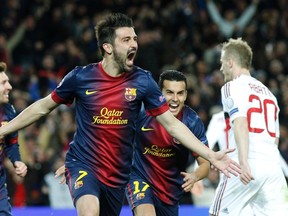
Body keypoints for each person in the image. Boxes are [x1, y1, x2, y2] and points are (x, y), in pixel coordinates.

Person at [0, 13, 240, 216]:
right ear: (108, 47)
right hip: (83, 164)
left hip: (116, 177)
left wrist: (210, 155)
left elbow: (173, 125)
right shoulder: (80, 77)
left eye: (135, 38)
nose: (134, 44)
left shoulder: (143, 81)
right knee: (89, 210)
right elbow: (42, 107)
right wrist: (5, 129)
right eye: (126, 39)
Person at [209, 38, 288, 216]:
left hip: (243, 165)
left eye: (222, 63)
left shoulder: (231, 87)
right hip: (272, 168)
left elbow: (241, 123)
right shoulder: (270, 95)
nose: (221, 68)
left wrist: (244, 162)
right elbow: (274, 138)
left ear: (230, 62)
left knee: (216, 213)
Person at [125, 70, 210, 216]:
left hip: (170, 193)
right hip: (140, 178)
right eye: (169, 92)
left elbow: (205, 164)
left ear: (186, 95)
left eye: (180, 93)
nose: (175, 99)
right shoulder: (142, 112)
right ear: (160, 93)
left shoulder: (192, 122)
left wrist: (195, 176)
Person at [0, 62, 27, 215]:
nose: (9, 87)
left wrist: (16, 160)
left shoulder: (8, 111)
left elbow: (11, 142)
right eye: (4, 82)